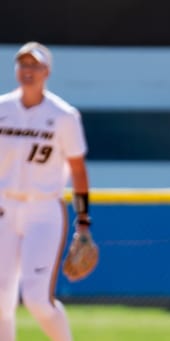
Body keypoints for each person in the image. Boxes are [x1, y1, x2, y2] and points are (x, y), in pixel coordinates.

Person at [0, 42, 93, 341]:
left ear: (46, 72)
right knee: (0, 302)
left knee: (37, 300)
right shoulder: (2, 109)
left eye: (34, 65)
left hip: (43, 210)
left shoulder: (63, 115)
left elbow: (78, 170)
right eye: (23, 64)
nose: (28, 71)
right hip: (4, 208)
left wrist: (83, 222)